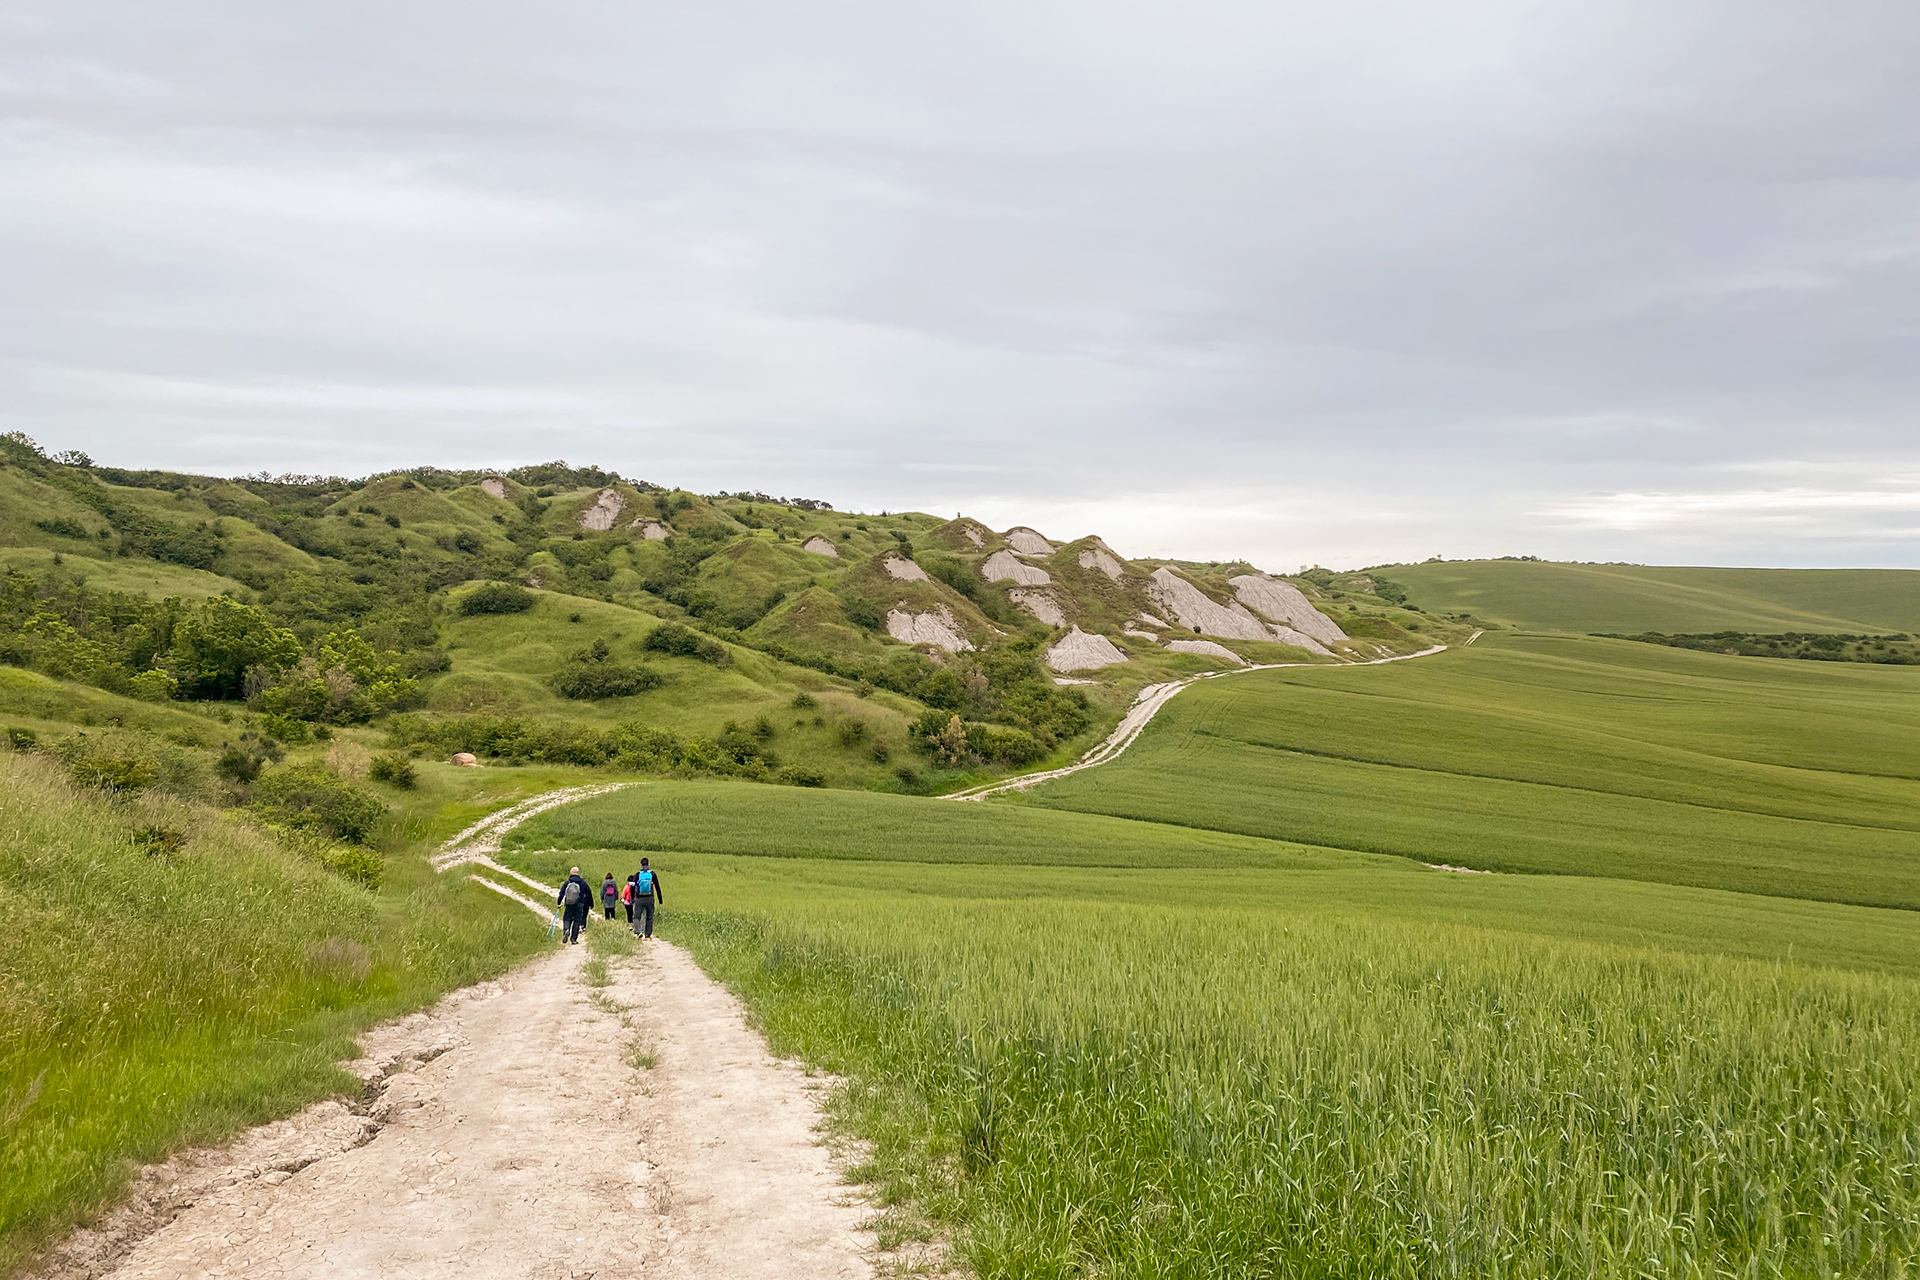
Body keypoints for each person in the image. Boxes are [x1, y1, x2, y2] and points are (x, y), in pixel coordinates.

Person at [556, 866, 593, 945]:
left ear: (571, 873)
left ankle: (566, 930)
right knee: (577, 921)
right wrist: (591, 904)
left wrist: (559, 902)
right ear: (578, 873)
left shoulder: (567, 882)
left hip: (569, 904)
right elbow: (589, 893)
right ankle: (574, 939)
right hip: (580, 904)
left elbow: (562, 893)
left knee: (567, 918)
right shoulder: (582, 883)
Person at [630, 857, 663, 940]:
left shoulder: (637, 874)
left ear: (641, 864)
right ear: (648, 864)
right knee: (649, 916)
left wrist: (633, 898)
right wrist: (660, 900)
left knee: (637, 916)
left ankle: (638, 932)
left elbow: (632, 887)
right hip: (649, 898)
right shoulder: (652, 874)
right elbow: (658, 887)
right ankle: (647, 935)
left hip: (639, 898)